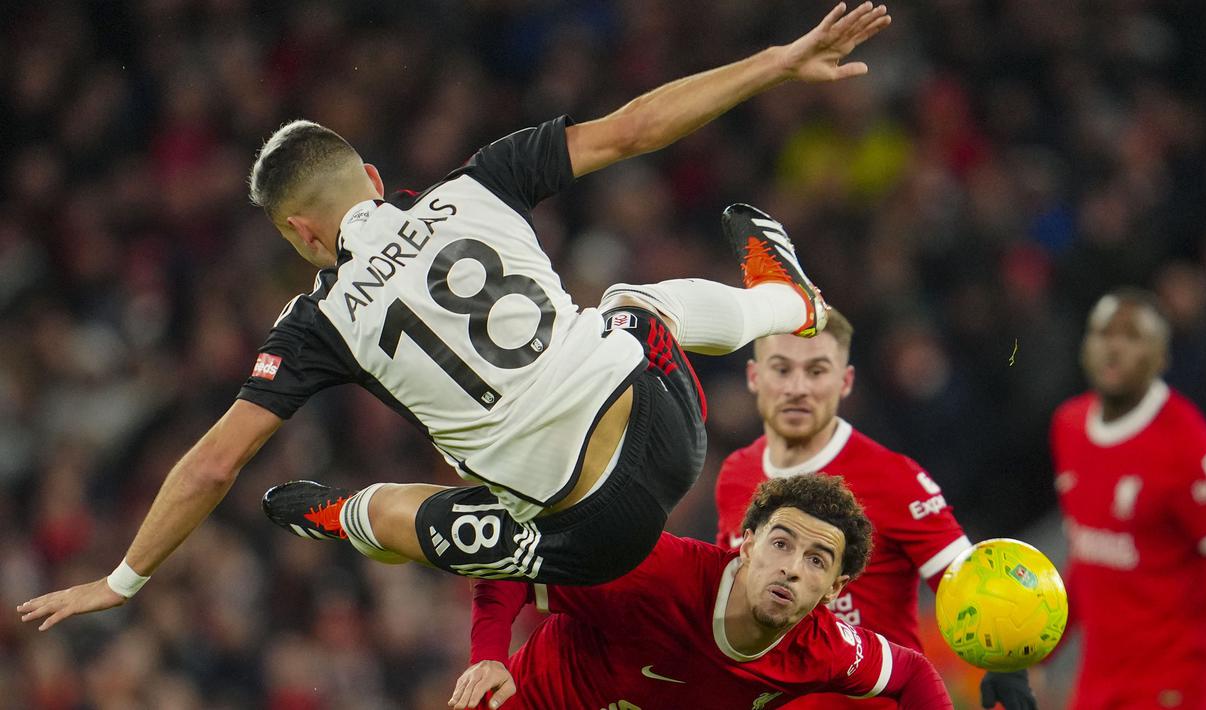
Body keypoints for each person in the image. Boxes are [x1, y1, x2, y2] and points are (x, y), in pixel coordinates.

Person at [17, 3, 892, 629]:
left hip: (591, 540)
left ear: (298, 232)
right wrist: (777, 60)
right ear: (367, 178)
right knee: (628, 302)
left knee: (421, 518)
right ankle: (786, 302)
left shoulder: (314, 324)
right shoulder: (480, 182)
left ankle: (341, 518)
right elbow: (635, 128)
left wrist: (123, 580)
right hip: (670, 430)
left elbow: (212, 466)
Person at [713, 317, 1036, 709]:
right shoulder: (736, 474)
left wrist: (1007, 666)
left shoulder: (893, 478)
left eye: (816, 371)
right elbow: (728, 592)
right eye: (781, 369)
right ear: (754, 376)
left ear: (845, 382)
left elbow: (972, 584)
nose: (797, 387)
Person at [449, 474, 954, 710]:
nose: (792, 569)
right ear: (747, 546)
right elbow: (510, 563)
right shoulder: (655, 572)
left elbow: (910, 672)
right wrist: (487, 655)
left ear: (833, 590)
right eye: (781, 544)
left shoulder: (825, 649)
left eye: (816, 561)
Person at [1050, 288, 1206, 709]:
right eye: (1103, 333)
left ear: (1161, 357)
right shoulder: (1068, 426)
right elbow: (1088, 555)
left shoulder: (1191, 450)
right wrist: (1036, 650)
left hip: (1178, 682)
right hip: (1099, 680)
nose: (1114, 348)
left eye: (1132, 337)